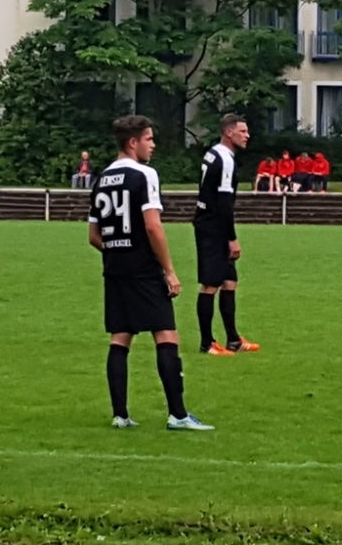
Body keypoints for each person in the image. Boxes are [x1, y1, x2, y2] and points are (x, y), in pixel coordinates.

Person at [88, 115, 212, 432]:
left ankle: (120, 414)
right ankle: (178, 415)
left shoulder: (101, 179)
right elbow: (153, 225)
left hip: (114, 267)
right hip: (143, 267)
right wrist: (169, 270)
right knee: (166, 333)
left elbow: (93, 236)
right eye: (149, 139)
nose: (153, 145)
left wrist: (117, 250)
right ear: (133, 142)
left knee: (120, 337)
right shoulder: (145, 175)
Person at [194, 114, 259, 356]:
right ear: (229, 132)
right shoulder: (225, 159)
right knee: (210, 284)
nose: (247, 135)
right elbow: (223, 201)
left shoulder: (213, 153)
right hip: (212, 226)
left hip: (211, 222)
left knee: (229, 280)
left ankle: (233, 339)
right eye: (243, 131)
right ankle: (207, 343)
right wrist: (231, 238)